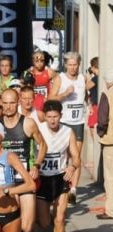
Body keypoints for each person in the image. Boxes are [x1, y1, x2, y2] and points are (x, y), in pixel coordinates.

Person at [1, 89, 47, 232]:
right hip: (6, 182)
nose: (8, 107)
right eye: (5, 103)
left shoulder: (27, 123)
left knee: (27, 226)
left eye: (12, 102)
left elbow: (43, 145)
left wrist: (36, 164)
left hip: (25, 180)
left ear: (18, 102)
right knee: (14, 220)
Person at [36, 100, 80, 232]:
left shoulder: (68, 131)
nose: (52, 120)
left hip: (60, 178)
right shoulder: (38, 130)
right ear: (45, 117)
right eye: (49, 117)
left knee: (60, 218)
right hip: (42, 179)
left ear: (60, 116)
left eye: (55, 116)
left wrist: (72, 166)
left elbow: (76, 156)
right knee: (45, 223)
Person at [49, 52, 89, 204]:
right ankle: (62, 186)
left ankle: (73, 190)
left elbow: (86, 94)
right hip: (64, 122)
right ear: (65, 65)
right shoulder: (60, 78)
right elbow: (51, 98)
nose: (73, 68)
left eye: (75, 65)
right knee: (64, 157)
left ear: (79, 64)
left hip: (78, 122)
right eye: (70, 65)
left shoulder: (83, 78)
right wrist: (65, 94)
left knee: (76, 157)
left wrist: (89, 104)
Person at [96, 70, 113, 220]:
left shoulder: (107, 94)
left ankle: (111, 210)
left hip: (111, 141)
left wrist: (101, 132)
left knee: (110, 177)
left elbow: (102, 118)